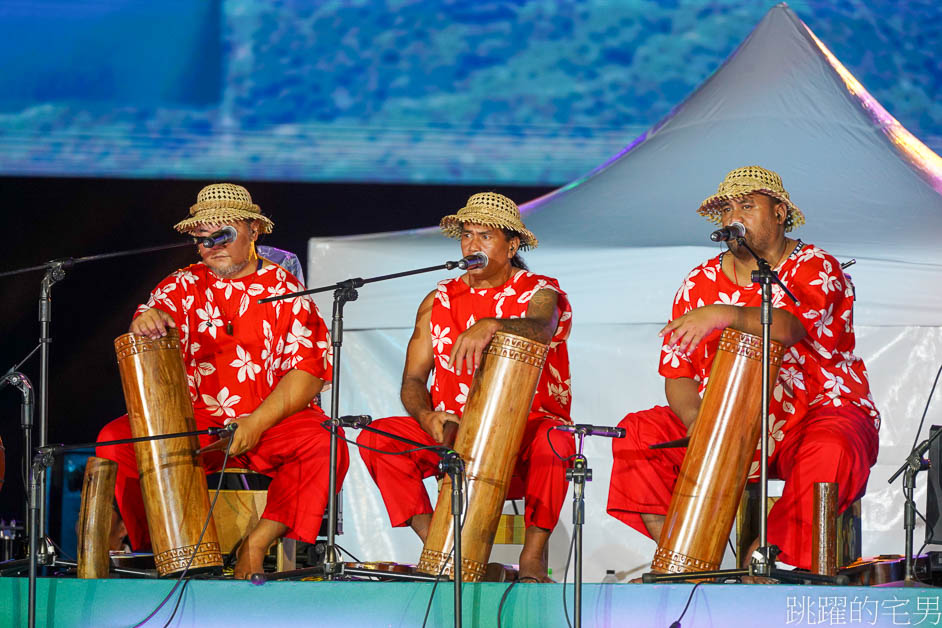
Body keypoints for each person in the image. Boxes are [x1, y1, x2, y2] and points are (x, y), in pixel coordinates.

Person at [606, 166, 880, 572]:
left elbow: (787, 326)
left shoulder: (815, 265)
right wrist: (694, 416)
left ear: (780, 213)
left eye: (747, 206)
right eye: (727, 208)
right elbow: (677, 371)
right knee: (639, 434)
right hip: (729, 421)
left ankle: (765, 557)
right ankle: (682, 556)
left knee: (833, 452)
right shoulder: (699, 281)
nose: (734, 216)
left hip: (814, 414)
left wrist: (724, 314)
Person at [96, 183, 348, 579]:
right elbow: (146, 323)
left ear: (254, 230)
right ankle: (158, 546)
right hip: (197, 422)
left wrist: (255, 423)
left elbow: (309, 373)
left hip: (271, 421)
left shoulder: (286, 290)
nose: (212, 245)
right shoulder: (180, 285)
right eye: (203, 239)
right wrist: (142, 321)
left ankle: (258, 542)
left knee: (326, 443)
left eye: (223, 235)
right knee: (116, 440)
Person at [356, 192, 575, 582]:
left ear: (512, 244)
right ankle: (438, 548)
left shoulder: (540, 290)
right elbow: (412, 380)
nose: (472, 245)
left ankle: (533, 558)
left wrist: (493, 323)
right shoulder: (438, 299)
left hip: (522, 433)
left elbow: (541, 328)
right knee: (379, 438)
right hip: (454, 431)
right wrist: (426, 416)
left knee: (556, 438)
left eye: (485, 236)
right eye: (467, 235)